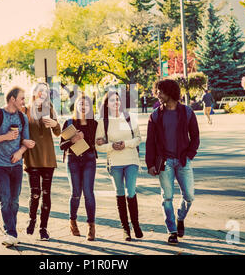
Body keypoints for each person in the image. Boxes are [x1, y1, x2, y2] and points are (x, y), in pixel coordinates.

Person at [145, 79, 200, 245]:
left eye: (160, 92)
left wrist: (189, 155)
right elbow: (150, 142)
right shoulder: (155, 115)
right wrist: (150, 164)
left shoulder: (187, 112)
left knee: (189, 196)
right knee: (167, 197)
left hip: (183, 161)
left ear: (170, 92)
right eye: (157, 92)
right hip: (165, 162)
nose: (158, 95)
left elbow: (195, 136)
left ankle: (180, 217)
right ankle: (172, 231)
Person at [0, 87, 35, 247]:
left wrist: (20, 152)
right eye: (22, 98)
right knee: (4, 200)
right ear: (12, 99)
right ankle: (11, 233)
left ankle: (11, 232)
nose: (24, 102)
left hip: (16, 165)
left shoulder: (23, 118)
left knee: (15, 201)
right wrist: (5, 137)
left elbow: (26, 141)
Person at [95, 91, 143, 241]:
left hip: (131, 160)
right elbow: (98, 146)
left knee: (131, 191)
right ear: (107, 104)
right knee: (120, 193)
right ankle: (125, 229)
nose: (115, 103)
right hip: (114, 162)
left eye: (117, 100)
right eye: (112, 101)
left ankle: (135, 224)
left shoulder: (129, 117)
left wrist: (125, 144)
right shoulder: (103, 122)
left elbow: (139, 139)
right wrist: (111, 146)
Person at [23, 82, 61, 241]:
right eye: (41, 91)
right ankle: (32, 219)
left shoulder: (50, 109)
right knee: (35, 193)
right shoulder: (25, 110)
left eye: (46, 91)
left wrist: (55, 124)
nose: (43, 93)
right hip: (32, 157)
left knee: (46, 194)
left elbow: (58, 133)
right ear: (34, 92)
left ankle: (43, 228)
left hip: (48, 158)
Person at [60, 94, 98, 241]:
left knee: (88, 193)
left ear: (90, 107)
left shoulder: (94, 124)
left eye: (86, 105)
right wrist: (73, 139)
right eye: (80, 104)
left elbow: (96, 144)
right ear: (75, 106)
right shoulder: (69, 123)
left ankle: (91, 226)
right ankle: (73, 221)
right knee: (76, 193)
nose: (83, 107)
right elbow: (61, 146)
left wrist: (90, 140)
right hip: (72, 160)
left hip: (89, 160)